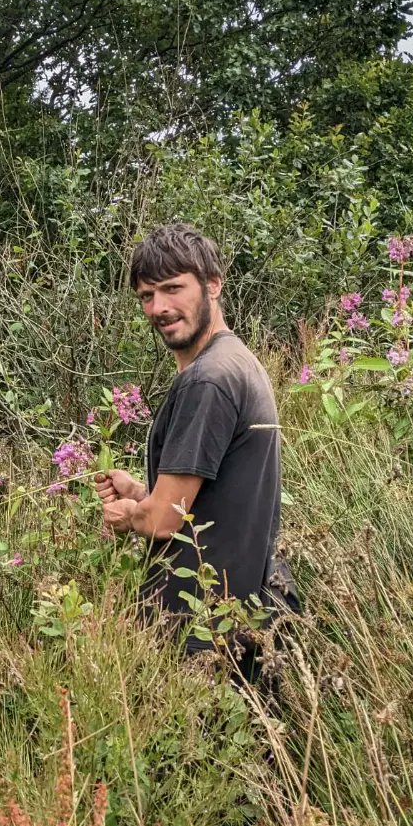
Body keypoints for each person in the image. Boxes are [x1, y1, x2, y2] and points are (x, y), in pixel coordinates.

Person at [94, 223, 298, 682]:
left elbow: (165, 521)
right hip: (239, 614)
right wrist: (144, 491)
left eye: (172, 288)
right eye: (147, 295)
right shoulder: (237, 362)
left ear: (212, 284)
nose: (159, 308)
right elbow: (205, 503)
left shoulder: (208, 381)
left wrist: (130, 514)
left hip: (203, 627)